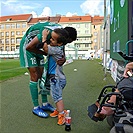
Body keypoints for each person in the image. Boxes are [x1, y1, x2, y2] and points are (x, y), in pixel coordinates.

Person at [19, 21, 77, 118]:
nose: (66, 44)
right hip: (28, 46)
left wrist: (63, 58)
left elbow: (61, 47)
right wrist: (45, 53)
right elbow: (29, 47)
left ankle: (45, 104)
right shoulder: (49, 33)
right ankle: (36, 107)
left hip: (39, 46)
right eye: (68, 42)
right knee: (35, 76)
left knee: (42, 76)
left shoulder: (60, 34)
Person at [42, 28, 72, 125]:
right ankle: (59, 111)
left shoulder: (55, 49)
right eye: (51, 38)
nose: (50, 40)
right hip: (58, 78)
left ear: (59, 43)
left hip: (56, 79)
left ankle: (62, 114)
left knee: (57, 97)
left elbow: (45, 49)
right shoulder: (59, 48)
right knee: (55, 95)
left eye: (53, 39)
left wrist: (44, 37)